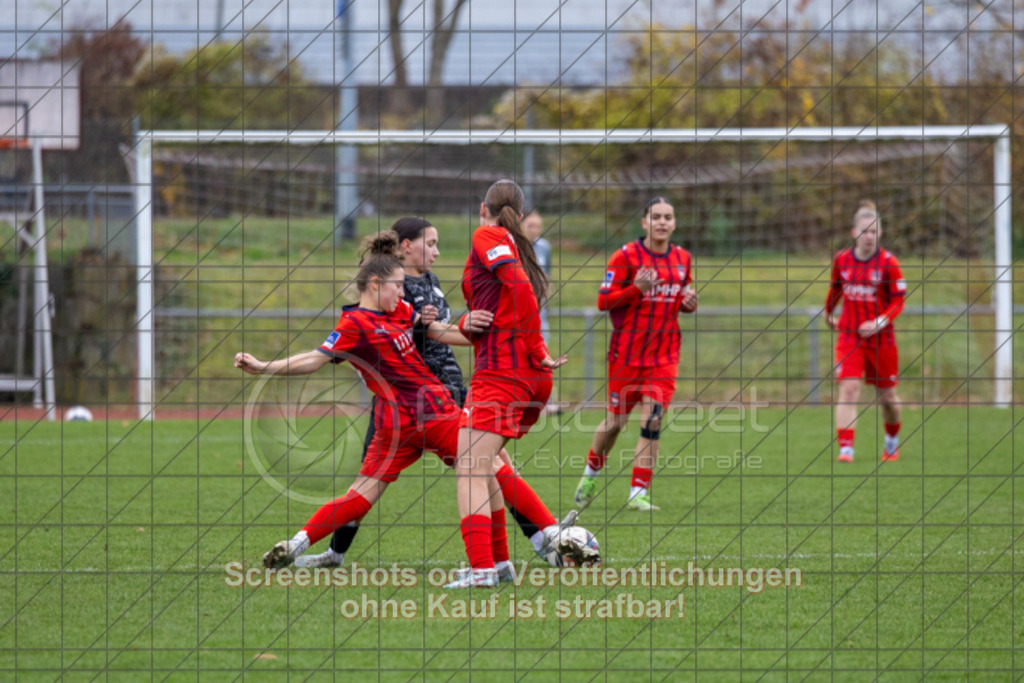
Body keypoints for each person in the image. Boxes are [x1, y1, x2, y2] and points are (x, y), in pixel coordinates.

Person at [235, 232, 564, 578]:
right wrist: (264, 367)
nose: (402, 292)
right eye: (397, 285)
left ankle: (504, 562)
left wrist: (472, 328)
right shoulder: (354, 324)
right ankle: (541, 540)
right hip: (424, 415)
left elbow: (441, 332)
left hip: (399, 422)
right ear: (375, 284)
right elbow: (313, 359)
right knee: (488, 466)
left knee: (379, 490)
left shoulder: (402, 311)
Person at [450, 179, 567, 588]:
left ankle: (481, 570)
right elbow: (500, 308)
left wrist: (536, 347)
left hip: (504, 373)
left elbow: (519, 293)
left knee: (469, 468)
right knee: (484, 468)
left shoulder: (488, 234)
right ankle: (498, 567)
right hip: (522, 373)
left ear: (483, 207)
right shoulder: (519, 245)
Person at [574, 197, 698, 512]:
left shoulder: (683, 258)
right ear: (644, 222)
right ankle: (591, 473)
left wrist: (689, 303)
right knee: (615, 423)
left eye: (668, 217)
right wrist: (637, 288)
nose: (662, 222)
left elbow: (684, 297)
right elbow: (604, 302)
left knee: (653, 420)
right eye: (656, 216)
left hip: (664, 357)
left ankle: (637, 493)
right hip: (626, 357)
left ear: (674, 223)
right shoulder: (626, 257)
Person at [825, 200, 905, 463]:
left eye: (873, 231)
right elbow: (836, 288)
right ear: (854, 232)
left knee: (888, 398)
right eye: (864, 231)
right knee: (849, 389)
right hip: (849, 336)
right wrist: (828, 312)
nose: (868, 236)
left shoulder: (888, 263)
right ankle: (846, 449)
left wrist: (880, 322)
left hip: (882, 340)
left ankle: (891, 440)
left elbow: (898, 301)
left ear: (879, 233)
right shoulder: (841, 260)